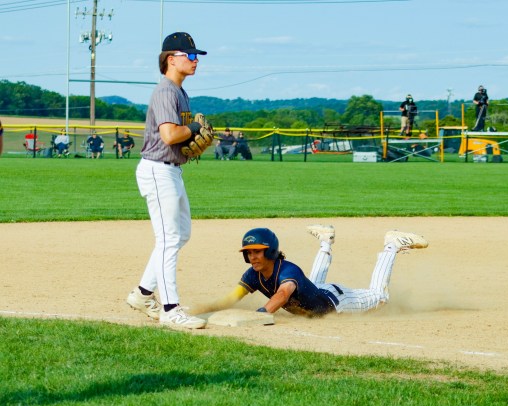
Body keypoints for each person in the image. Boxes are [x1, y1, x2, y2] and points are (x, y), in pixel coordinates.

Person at [126, 31, 208, 330]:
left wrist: (193, 130)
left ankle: (142, 294)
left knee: (180, 234)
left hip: (171, 170)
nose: (196, 61)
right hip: (158, 170)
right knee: (169, 239)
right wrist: (196, 127)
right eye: (191, 55)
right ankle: (170, 308)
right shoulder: (166, 92)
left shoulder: (180, 91)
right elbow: (171, 135)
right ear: (171, 59)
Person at [192, 225, 428, 317]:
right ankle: (326, 240)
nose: (252, 256)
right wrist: (205, 309)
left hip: (337, 301)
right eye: (249, 252)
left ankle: (391, 245)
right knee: (311, 283)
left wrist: (261, 313)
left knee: (380, 297)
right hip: (317, 292)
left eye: (258, 251)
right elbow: (233, 297)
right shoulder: (253, 274)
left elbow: (282, 296)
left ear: (271, 251)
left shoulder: (288, 271)